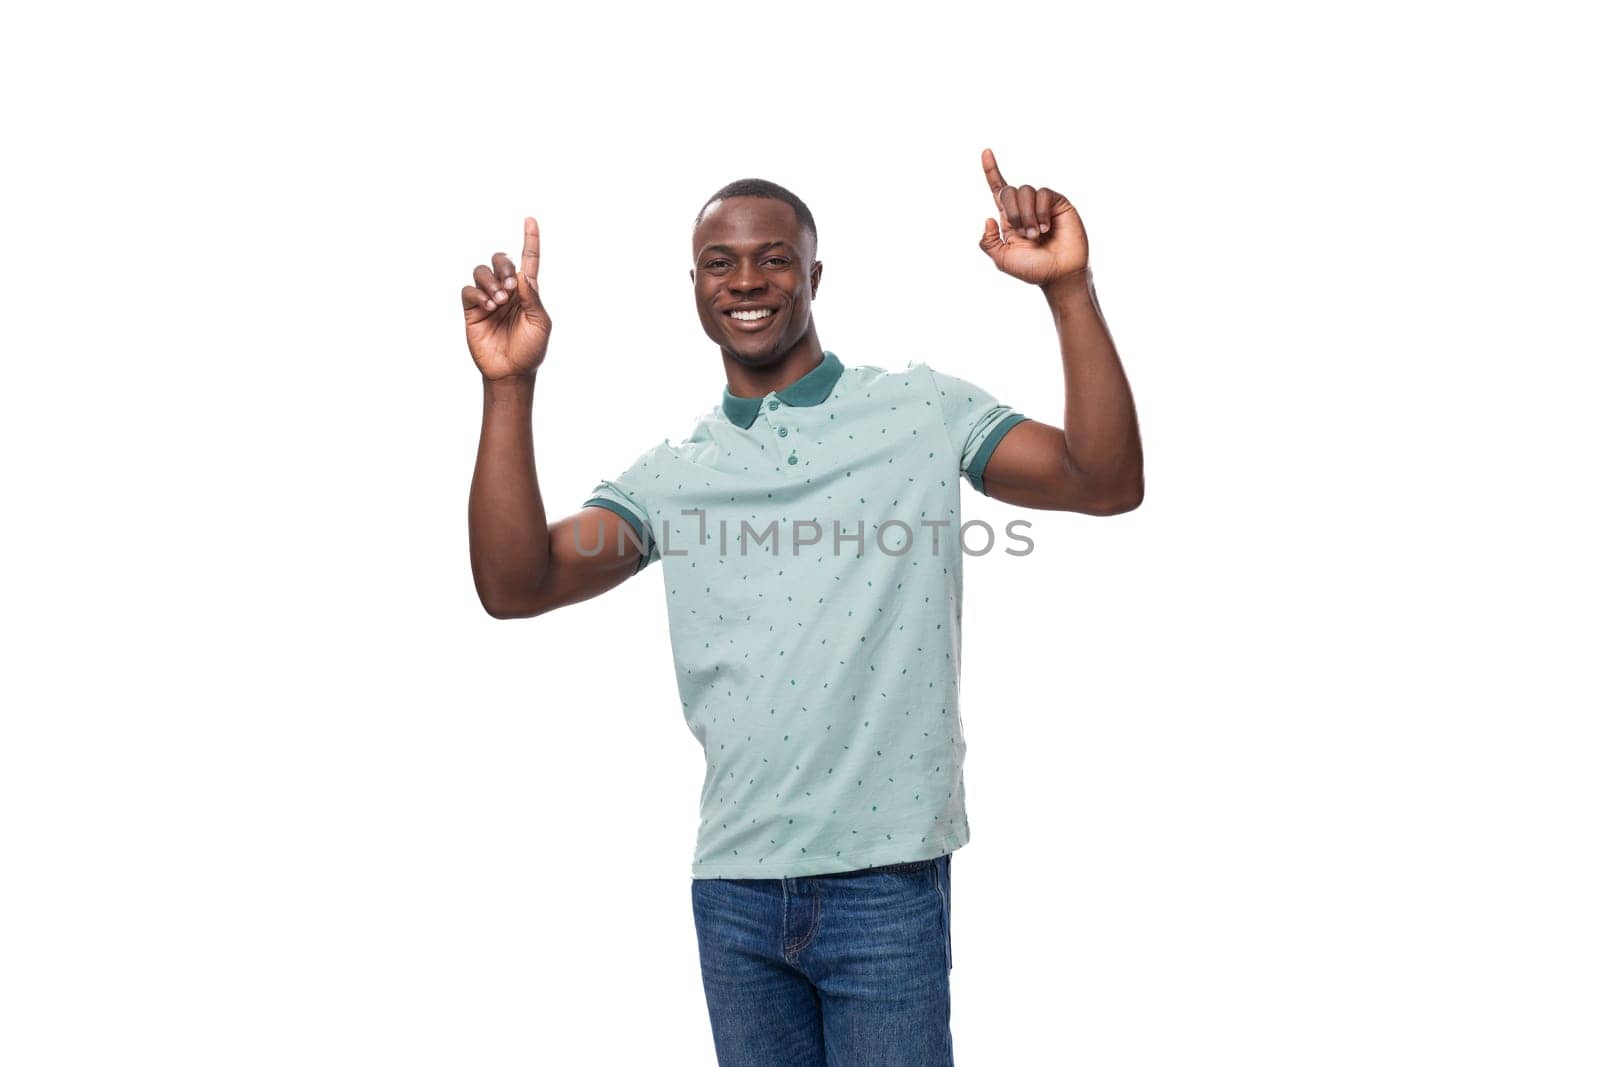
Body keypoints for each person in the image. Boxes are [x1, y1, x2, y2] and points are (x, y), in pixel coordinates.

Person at [459, 148, 1143, 1065]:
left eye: (774, 258)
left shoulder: (918, 412)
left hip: (884, 881)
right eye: (720, 262)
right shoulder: (673, 475)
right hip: (735, 886)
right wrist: (509, 385)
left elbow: (1104, 479)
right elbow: (517, 583)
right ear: (694, 286)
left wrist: (1069, 289)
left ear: (814, 275)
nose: (748, 280)